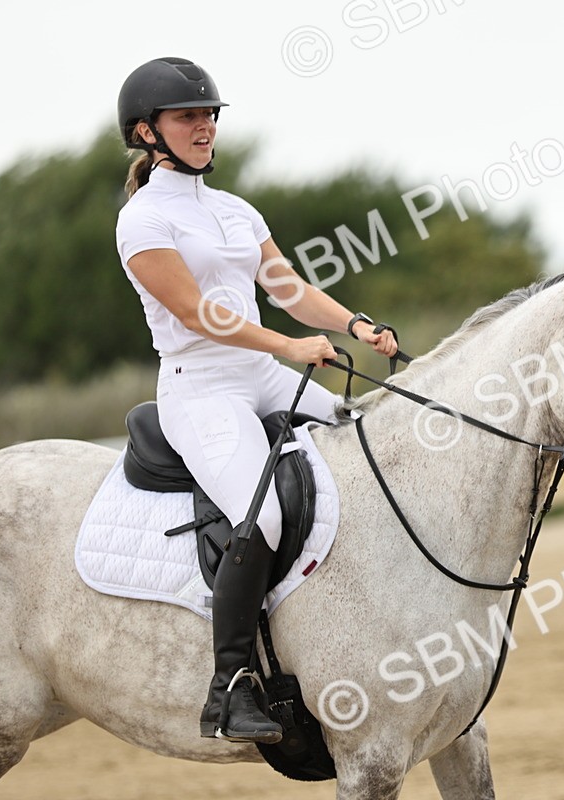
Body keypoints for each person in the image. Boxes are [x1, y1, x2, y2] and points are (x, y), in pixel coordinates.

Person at [115, 56, 397, 744]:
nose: (204, 126)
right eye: (188, 116)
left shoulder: (236, 210)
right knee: (261, 516)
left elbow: (289, 289)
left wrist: (354, 324)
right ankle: (230, 686)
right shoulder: (143, 220)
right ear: (147, 132)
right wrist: (288, 347)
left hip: (263, 376)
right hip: (201, 388)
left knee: (376, 448)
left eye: (209, 114)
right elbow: (194, 313)